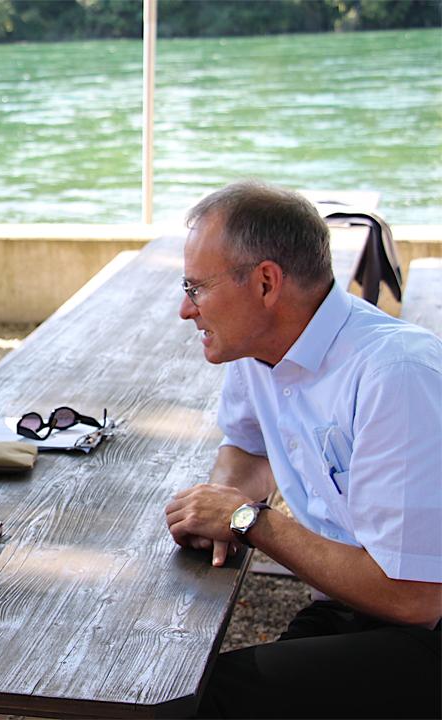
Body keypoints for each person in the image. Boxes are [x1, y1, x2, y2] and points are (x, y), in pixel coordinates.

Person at [163, 181, 441, 718]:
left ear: (266, 282)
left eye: (195, 288)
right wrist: (218, 506)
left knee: (191, 703)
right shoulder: (258, 346)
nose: (184, 309)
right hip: (353, 603)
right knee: (171, 681)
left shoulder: (395, 374)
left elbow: (413, 596)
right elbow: (248, 448)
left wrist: (247, 520)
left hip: (420, 621)